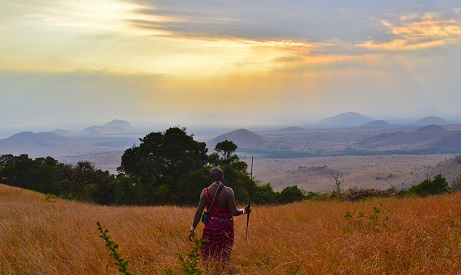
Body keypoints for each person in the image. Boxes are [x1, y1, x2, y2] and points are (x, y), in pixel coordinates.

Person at [189, 167, 251, 264]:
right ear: (222, 177)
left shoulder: (205, 192)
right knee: (224, 256)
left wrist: (192, 229)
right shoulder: (228, 191)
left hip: (210, 228)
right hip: (226, 228)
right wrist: (245, 210)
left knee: (208, 255)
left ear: (211, 178)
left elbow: (198, 213)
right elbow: (234, 212)